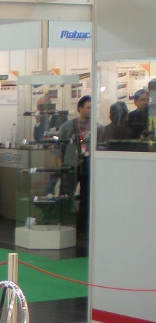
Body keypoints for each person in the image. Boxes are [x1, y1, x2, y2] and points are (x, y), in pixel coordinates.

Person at [56, 95, 102, 238]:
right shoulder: (66, 127)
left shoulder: (97, 127)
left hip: (89, 167)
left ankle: (82, 229)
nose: (91, 110)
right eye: (88, 107)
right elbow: (58, 147)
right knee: (66, 196)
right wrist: (60, 163)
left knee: (87, 199)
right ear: (80, 108)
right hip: (70, 166)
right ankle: (63, 227)